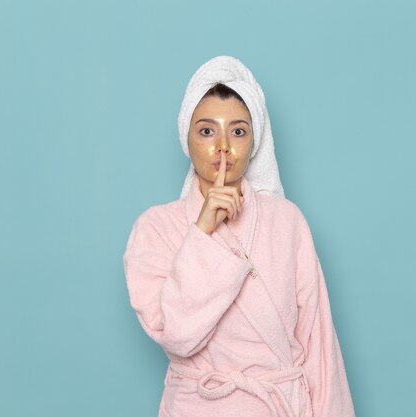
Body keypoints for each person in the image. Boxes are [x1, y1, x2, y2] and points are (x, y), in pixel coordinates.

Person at [123, 55, 355, 417]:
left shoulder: (287, 221)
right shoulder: (154, 228)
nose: (222, 146)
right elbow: (177, 334)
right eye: (206, 130)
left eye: (238, 131)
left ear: (255, 141)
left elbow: (320, 346)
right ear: (187, 139)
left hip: (279, 405)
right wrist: (202, 231)